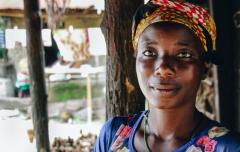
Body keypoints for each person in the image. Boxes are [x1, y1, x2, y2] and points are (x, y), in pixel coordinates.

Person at [94, 0, 240, 151]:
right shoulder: (112, 135)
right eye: (149, 52)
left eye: (184, 54)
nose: (163, 68)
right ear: (136, 59)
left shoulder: (229, 147)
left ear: (205, 67)